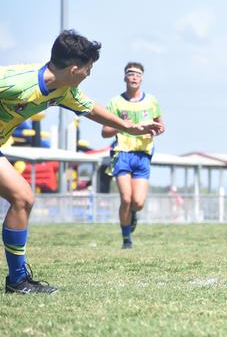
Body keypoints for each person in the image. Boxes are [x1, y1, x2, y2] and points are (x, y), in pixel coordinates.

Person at [0, 30, 163, 294]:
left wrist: (129, 127)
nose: (89, 74)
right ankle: (17, 280)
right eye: (88, 69)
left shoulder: (63, 90)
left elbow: (92, 108)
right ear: (75, 69)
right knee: (23, 198)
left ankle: (17, 281)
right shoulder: (18, 81)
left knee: (23, 198)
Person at [101, 62, 164, 249]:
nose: (134, 76)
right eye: (130, 73)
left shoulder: (151, 101)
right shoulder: (116, 103)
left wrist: (154, 131)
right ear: (125, 78)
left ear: (142, 78)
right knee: (126, 198)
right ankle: (126, 239)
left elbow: (161, 126)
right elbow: (105, 132)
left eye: (138, 74)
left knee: (137, 202)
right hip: (122, 153)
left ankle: (133, 215)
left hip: (142, 154)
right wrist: (121, 124)